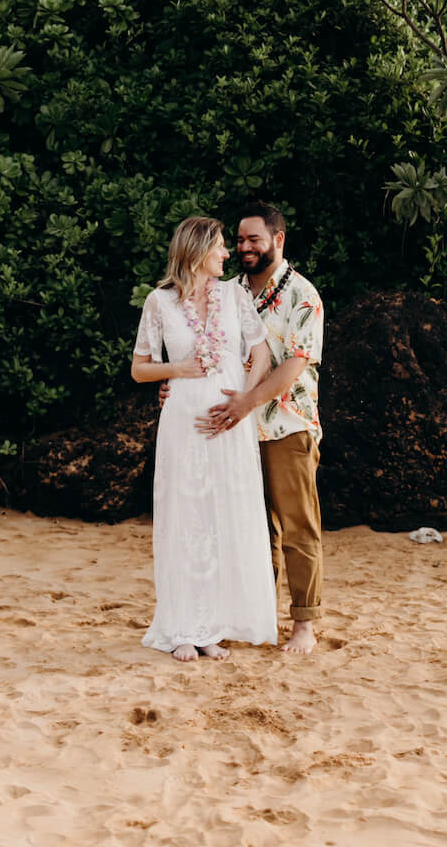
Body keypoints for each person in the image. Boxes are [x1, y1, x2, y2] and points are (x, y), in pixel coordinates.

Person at [131, 214, 278, 661]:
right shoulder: (159, 303)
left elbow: (261, 351)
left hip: (228, 423)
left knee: (221, 516)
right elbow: (139, 368)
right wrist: (177, 369)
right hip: (183, 421)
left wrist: (244, 399)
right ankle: (180, 628)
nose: (227, 253)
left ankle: (210, 627)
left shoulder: (233, 296)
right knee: (185, 516)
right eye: (219, 246)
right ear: (196, 251)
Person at [199, 203, 324, 655]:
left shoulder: (303, 296)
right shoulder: (223, 292)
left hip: (287, 427)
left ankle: (305, 624)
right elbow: (204, 350)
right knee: (250, 531)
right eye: (240, 239)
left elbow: (293, 364)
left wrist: (248, 402)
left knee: (297, 529)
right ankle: (255, 616)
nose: (245, 247)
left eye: (255, 239)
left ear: (278, 239)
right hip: (235, 434)